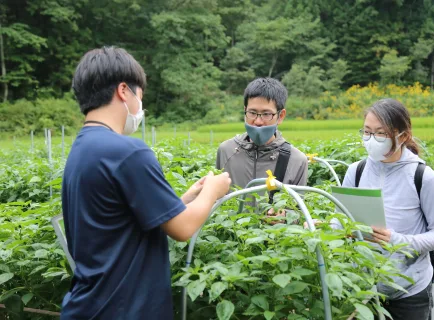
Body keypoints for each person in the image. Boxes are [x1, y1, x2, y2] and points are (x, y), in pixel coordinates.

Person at [61, 47, 231, 319]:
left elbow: (123, 219)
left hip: (90, 304)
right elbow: (183, 228)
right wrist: (212, 191)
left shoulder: (83, 148)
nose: (141, 105)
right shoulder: (129, 152)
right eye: (140, 96)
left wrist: (187, 197)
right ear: (124, 90)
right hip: (125, 307)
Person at [341, 98, 434, 319]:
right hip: (365, 288)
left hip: (409, 290)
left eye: (380, 133)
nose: (371, 139)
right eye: (367, 132)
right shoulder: (356, 171)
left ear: (403, 136)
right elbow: (344, 217)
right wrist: (327, 226)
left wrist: (397, 241)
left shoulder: (423, 177)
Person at [216, 78, 308, 222]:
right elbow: (217, 202)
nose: (258, 122)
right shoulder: (226, 151)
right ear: (245, 111)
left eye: (266, 114)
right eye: (252, 113)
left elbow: (298, 213)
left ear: (280, 116)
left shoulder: (296, 160)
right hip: (231, 239)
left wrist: (286, 217)